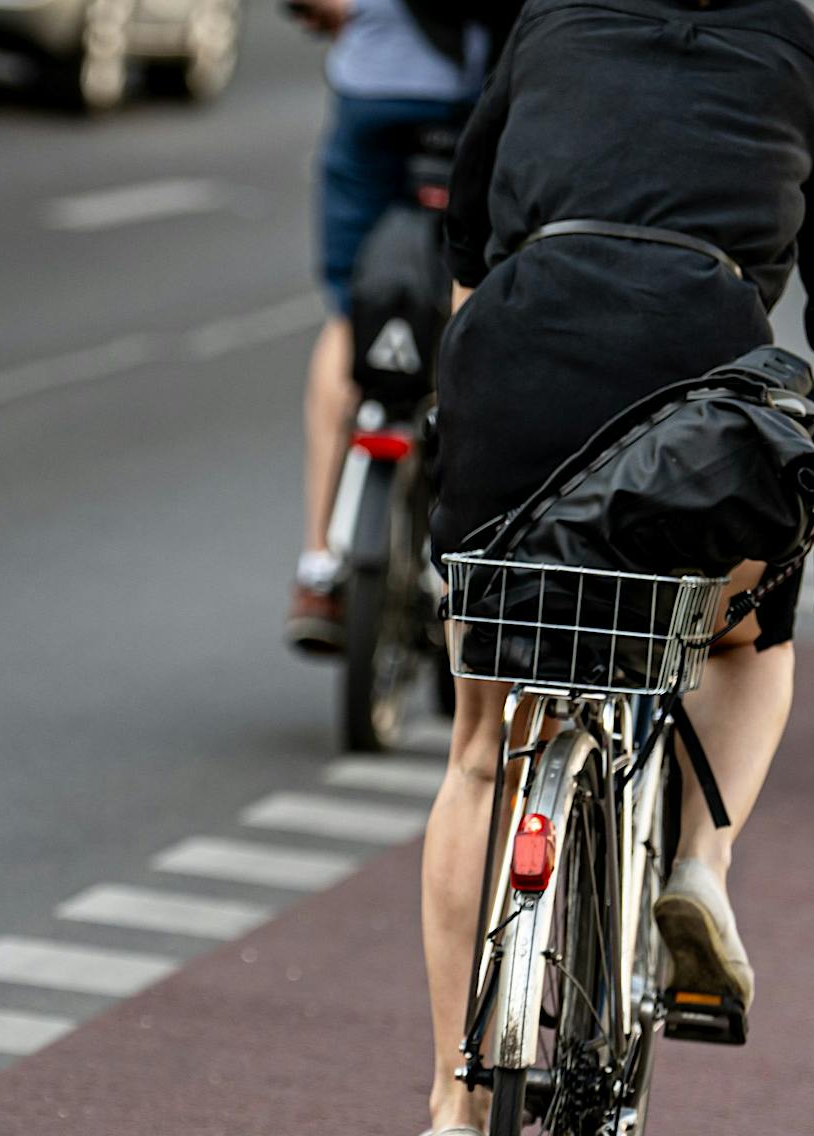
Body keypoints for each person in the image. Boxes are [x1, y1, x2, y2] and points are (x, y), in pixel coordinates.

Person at [403, 0, 814, 1136]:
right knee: (741, 634)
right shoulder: (791, 42)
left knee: (482, 748)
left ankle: (456, 1116)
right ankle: (695, 865)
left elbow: (470, 213)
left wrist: (480, 368)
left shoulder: (548, 17)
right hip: (696, 377)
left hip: (515, 353)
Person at [284, 0, 495, 654]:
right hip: (477, 100)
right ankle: (459, 563)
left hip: (372, 96)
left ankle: (319, 564)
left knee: (351, 313)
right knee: (477, 308)